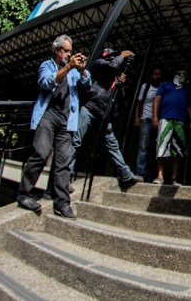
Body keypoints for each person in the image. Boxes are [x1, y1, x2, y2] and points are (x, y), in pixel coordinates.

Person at [17, 35, 90, 219]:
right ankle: (24, 195)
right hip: (48, 117)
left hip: (67, 121)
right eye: (65, 50)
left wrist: (81, 70)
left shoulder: (74, 71)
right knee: (40, 154)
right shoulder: (47, 65)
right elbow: (45, 82)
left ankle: (62, 203)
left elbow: (87, 85)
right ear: (57, 50)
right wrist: (68, 67)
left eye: (70, 51)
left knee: (63, 163)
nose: (68, 54)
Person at [71, 48, 143, 186]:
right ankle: (65, 177)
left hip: (104, 115)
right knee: (76, 141)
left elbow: (120, 97)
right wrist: (122, 55)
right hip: (89, 109)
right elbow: (111, 66)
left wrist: (120, 85)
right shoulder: (100, 64)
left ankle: (126, 174)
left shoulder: (114, 76)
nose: (116, 59)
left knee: (113, 145)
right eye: (113, 57)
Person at [152, 69, 191, 185]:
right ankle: (160, 176)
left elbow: (189, 106)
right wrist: (155, 117)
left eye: (184, 74)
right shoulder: (166, 85)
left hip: (180, 122)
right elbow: (156, 100)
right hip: (165, 119)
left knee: (178, 150)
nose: (182, 76)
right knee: (162, 146)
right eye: (180, 74)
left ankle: (174, 178)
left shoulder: (187, 90)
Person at [134, 67, 162, 182]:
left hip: (159, 121)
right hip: (146, 119)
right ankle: (141, 173)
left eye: (159, 74)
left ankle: (151, 175)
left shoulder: (162, 88)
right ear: (151, 75)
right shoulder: (145, 87)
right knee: (143, 147)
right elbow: (138, 103)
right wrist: (136, 118)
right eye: (155, 74)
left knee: (154, 149)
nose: (157, 76)